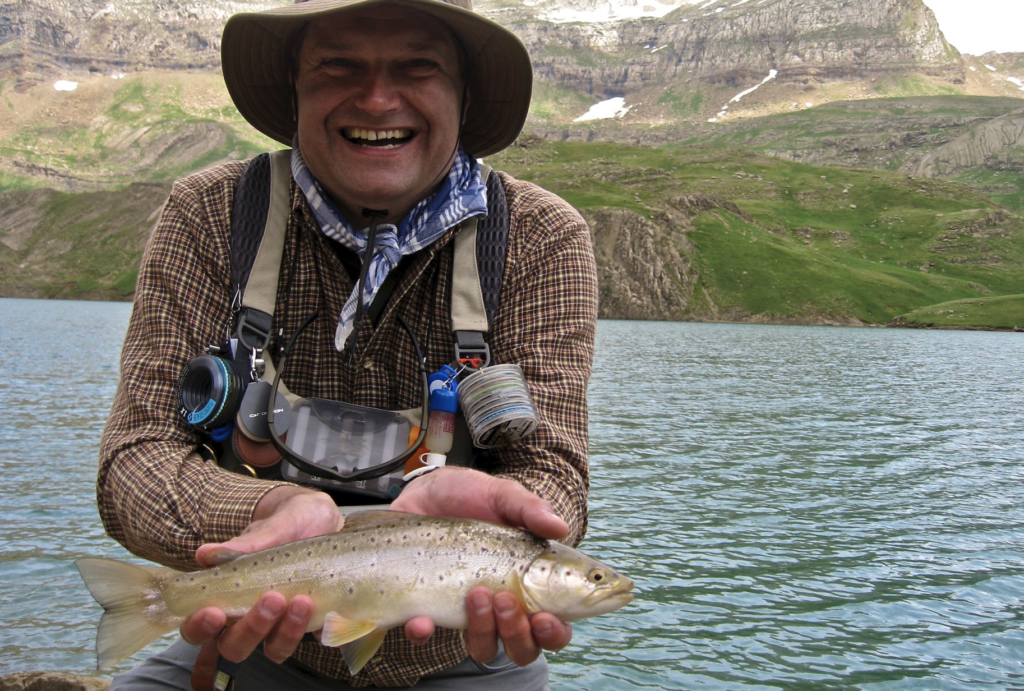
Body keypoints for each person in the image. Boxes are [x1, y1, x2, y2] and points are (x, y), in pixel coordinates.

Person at [96, 0, 598, 688]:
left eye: (418, 65)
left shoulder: (542, 239)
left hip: (466, 655)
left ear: (466, 93)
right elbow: (134, 464)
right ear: (294, 88)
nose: (378, 98)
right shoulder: (208, 214)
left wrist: (492, 515)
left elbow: (555, 480)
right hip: (252, 639)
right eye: (339, 65)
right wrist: (263, 510)